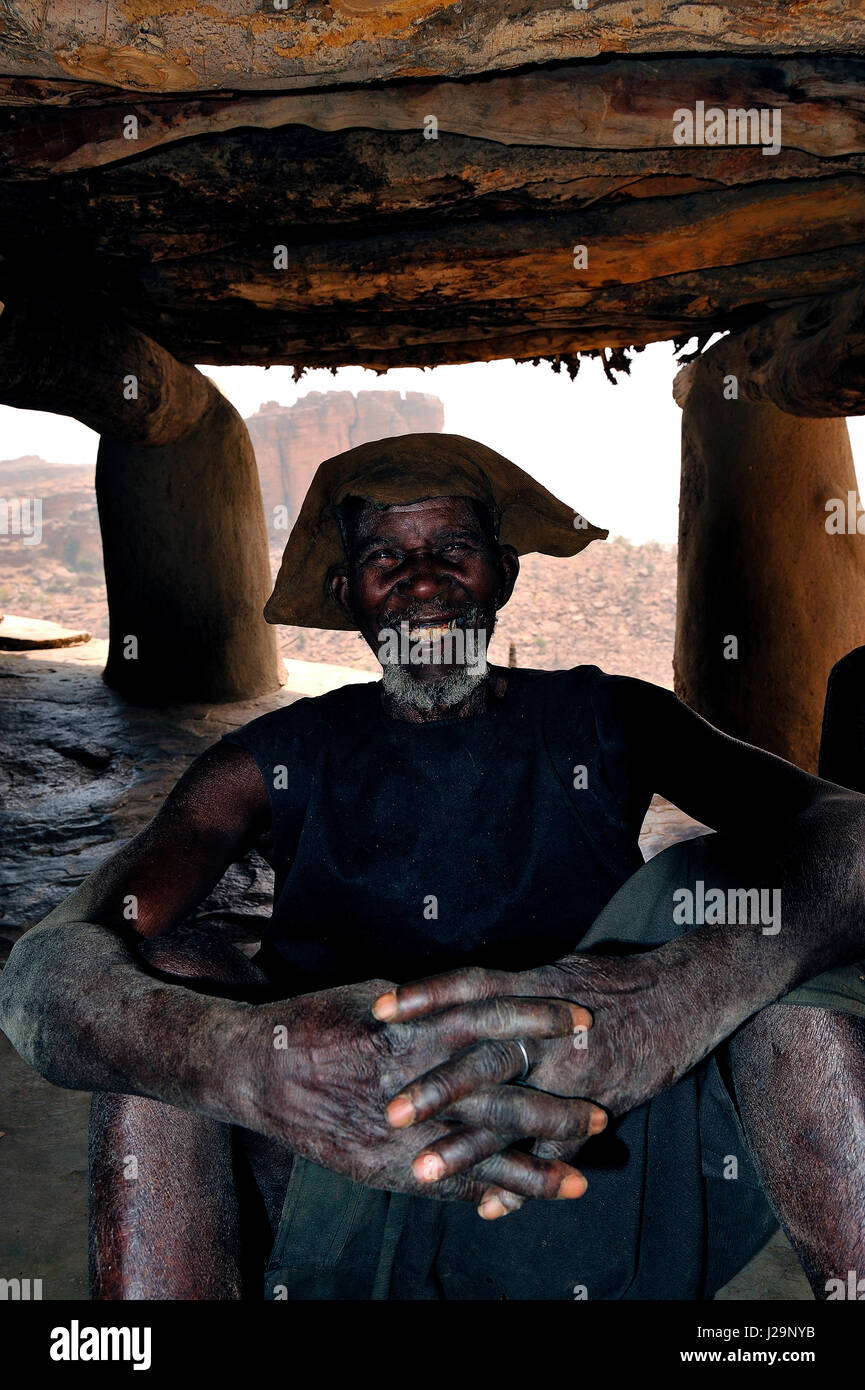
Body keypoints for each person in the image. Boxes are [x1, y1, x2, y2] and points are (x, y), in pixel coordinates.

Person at [2, 433, 864, 1301]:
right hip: (331, 1169)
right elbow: (45, 968)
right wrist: (240, 1062)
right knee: (170, 968)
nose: (422, 580)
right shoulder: (271, 759)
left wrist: (676, 998)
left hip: (594, 1157)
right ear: (349, 595)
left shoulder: (608, 717)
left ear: (505, 575)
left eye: (453, 550)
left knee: (741, 913)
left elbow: (845, 828)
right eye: (386, 557)